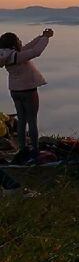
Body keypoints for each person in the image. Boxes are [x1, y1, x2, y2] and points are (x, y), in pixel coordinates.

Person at [0, 28, 53, 162]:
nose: (20, 42)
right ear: (13, 43)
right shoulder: (16, 56)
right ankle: (35, 150)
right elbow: (35, 52)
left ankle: (22, 149)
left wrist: (41, 37)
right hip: (28, 90)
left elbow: (27, 48)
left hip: (15, 90)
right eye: (17, 40)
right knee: (32, 120)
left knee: (22, 120)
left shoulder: (6, 55)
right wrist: (46, 38)